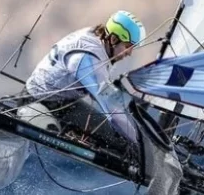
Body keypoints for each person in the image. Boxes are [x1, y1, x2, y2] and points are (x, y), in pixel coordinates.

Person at [24, 10, 146, 149]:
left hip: (65, 103)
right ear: (113, 39)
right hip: (37, 101)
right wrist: (140, 144)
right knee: (122, 143)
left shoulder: (96, 37)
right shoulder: (87, 59)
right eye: (128, 46)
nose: (130, 53)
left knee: (117, 136)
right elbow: (112, 111)